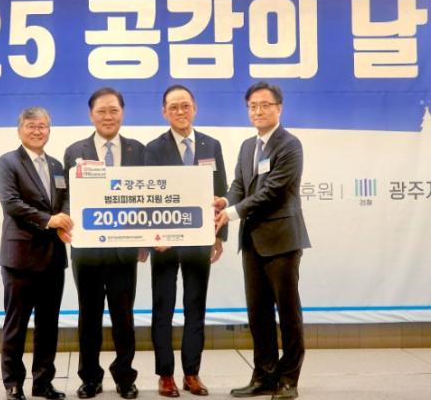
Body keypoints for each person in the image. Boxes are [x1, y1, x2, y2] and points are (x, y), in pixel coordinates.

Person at [214, 82, 311, 400]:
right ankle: (264, 375)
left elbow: (274, 192)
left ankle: (289, 380)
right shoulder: (247, 146)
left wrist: (231, 213)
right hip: (253, 242)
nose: (258, 111)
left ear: (279, 108)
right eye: (252, 106)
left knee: (288, 312)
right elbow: (239, 185)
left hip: (282, 241)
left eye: (265, 105)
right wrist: (224, 202)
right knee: (258, 314)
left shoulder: (290, 145)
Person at [144, 85, 228, 397]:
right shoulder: (153, 149)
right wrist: (152, 237)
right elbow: (148, 196)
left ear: (194, 108)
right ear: (164, 112)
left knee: (195, 307)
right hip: (164, 243)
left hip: (199, 240)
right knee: (162, 309)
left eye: (185, 105)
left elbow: (220, 190)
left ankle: (192, 373)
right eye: (174, 107)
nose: (180, 112)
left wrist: (218, 235)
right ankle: (166, 375)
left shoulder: (211, 145)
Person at [63, 87, 145, 400]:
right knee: (89, 317)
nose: (108, 116)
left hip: (125, 251)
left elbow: (146, 198)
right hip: (87, 252)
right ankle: (90, 378)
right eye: (101, 111)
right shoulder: (75, 151)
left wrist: (145, 239)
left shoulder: (138, 150)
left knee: (124, 317)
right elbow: (67, 196)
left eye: (114, 110)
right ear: (91, 115)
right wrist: (66, 222)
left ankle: (125, 377)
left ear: (122, 113)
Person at [0, 107, 74, 400]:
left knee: (48, 325)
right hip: (20, 258)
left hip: (53, 257)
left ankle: (43, 382)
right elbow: (11, 203)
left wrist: (64, 221)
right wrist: (49, 220)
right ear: (20, 130)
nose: (37, 131)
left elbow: (66, 200)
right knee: (16, 325)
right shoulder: (8, 162)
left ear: (49, 130)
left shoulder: (56, 165)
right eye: (31, 126)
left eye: (42, 126)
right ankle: (13, 383)